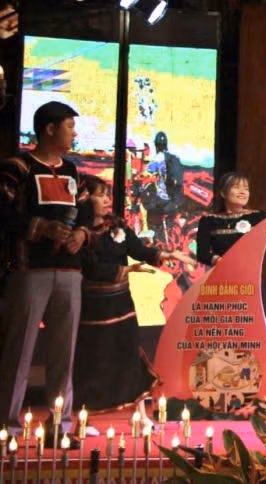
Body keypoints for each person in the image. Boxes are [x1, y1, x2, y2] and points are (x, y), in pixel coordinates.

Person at [0, 101, 89, 444]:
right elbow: (4, 213)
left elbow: (85, 214)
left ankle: (59, 426)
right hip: (29, 270)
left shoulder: (72, 170)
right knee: (19, 350)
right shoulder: (17, 168)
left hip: (69, 271)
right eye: (69, 126)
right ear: (50, 129)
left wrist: (82, 235)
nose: (74, 133)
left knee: (64, 352)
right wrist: (42, 227)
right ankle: (7, 428)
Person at [73, 175, 195, 411]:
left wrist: (167, 255)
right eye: (100, 195)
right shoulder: (80, 233)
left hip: (122, 304)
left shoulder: (117, 226)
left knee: (128, 353)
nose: (106, 200)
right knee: (95, 356)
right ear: (85, 199)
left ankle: (136, 411)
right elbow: (90, 268)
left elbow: (139, 250)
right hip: (94, 307)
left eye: (107, 195)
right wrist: (127, 270)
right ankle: (87, 412)